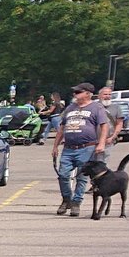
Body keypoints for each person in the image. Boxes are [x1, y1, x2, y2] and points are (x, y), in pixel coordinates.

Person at [52, 82, 109, 217]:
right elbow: (61, 128)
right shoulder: (70, 108)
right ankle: (67, 199)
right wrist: (55, 146)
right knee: (63, 174)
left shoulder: (96, 108)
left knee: (82, 177)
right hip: (68, 148)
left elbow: (104, 126)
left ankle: (76, 202)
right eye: (75, 92)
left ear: (88, 94)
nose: (75, 94)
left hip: (87, 147)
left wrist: (101, 143)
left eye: (78, 92)